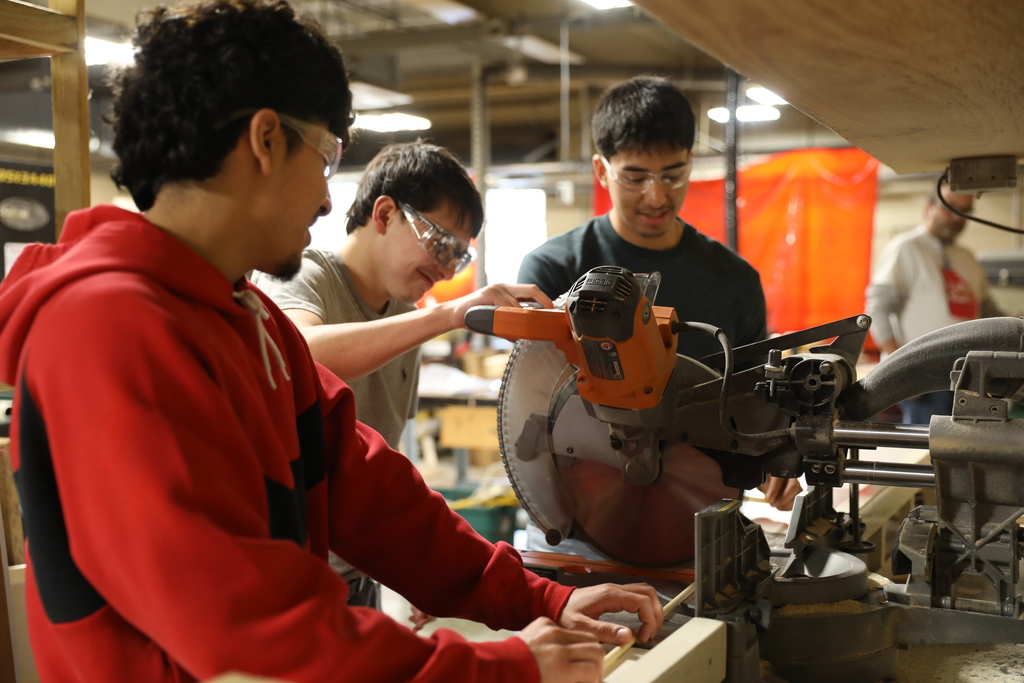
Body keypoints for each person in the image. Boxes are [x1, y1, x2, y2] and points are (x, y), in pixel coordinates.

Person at [0, 1, 662, 681]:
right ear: (265, 139)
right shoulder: (104, 329)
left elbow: (375, 500)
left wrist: (542, 599)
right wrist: (500, 670)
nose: (325, 199)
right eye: (327, 156)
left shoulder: (252, 320)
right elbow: (245, 623)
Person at [251, 141, 551, 611]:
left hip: (356, 576)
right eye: (440, 244)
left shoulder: (405, 317)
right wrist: (448, 315)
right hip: (290, 580)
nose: (446, 269)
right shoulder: (302, 275)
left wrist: (417, 568)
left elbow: (386, 457)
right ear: (385, 214)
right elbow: (299, 355)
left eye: (459, 256)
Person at [518, 75, 799, 515]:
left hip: (700, 513)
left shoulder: (734, 280)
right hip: (581, 512)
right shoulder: (553, 271)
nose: (656, 196)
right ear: (601, 170)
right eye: (635, 177)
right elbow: (528, 410)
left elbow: (754, 403)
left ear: (691, 163)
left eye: (673, 175)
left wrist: (775, 454)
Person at [866, 181, 1004, 423]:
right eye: (950, 208)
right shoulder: (906, 249)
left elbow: (988, 311)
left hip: (969, 377)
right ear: (929, 206)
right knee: (930, 444)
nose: (957, 217)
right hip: (924, 379)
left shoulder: (967, 258)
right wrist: (902, 372)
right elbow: (878, 308)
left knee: (968, 442)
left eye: (965, 211)